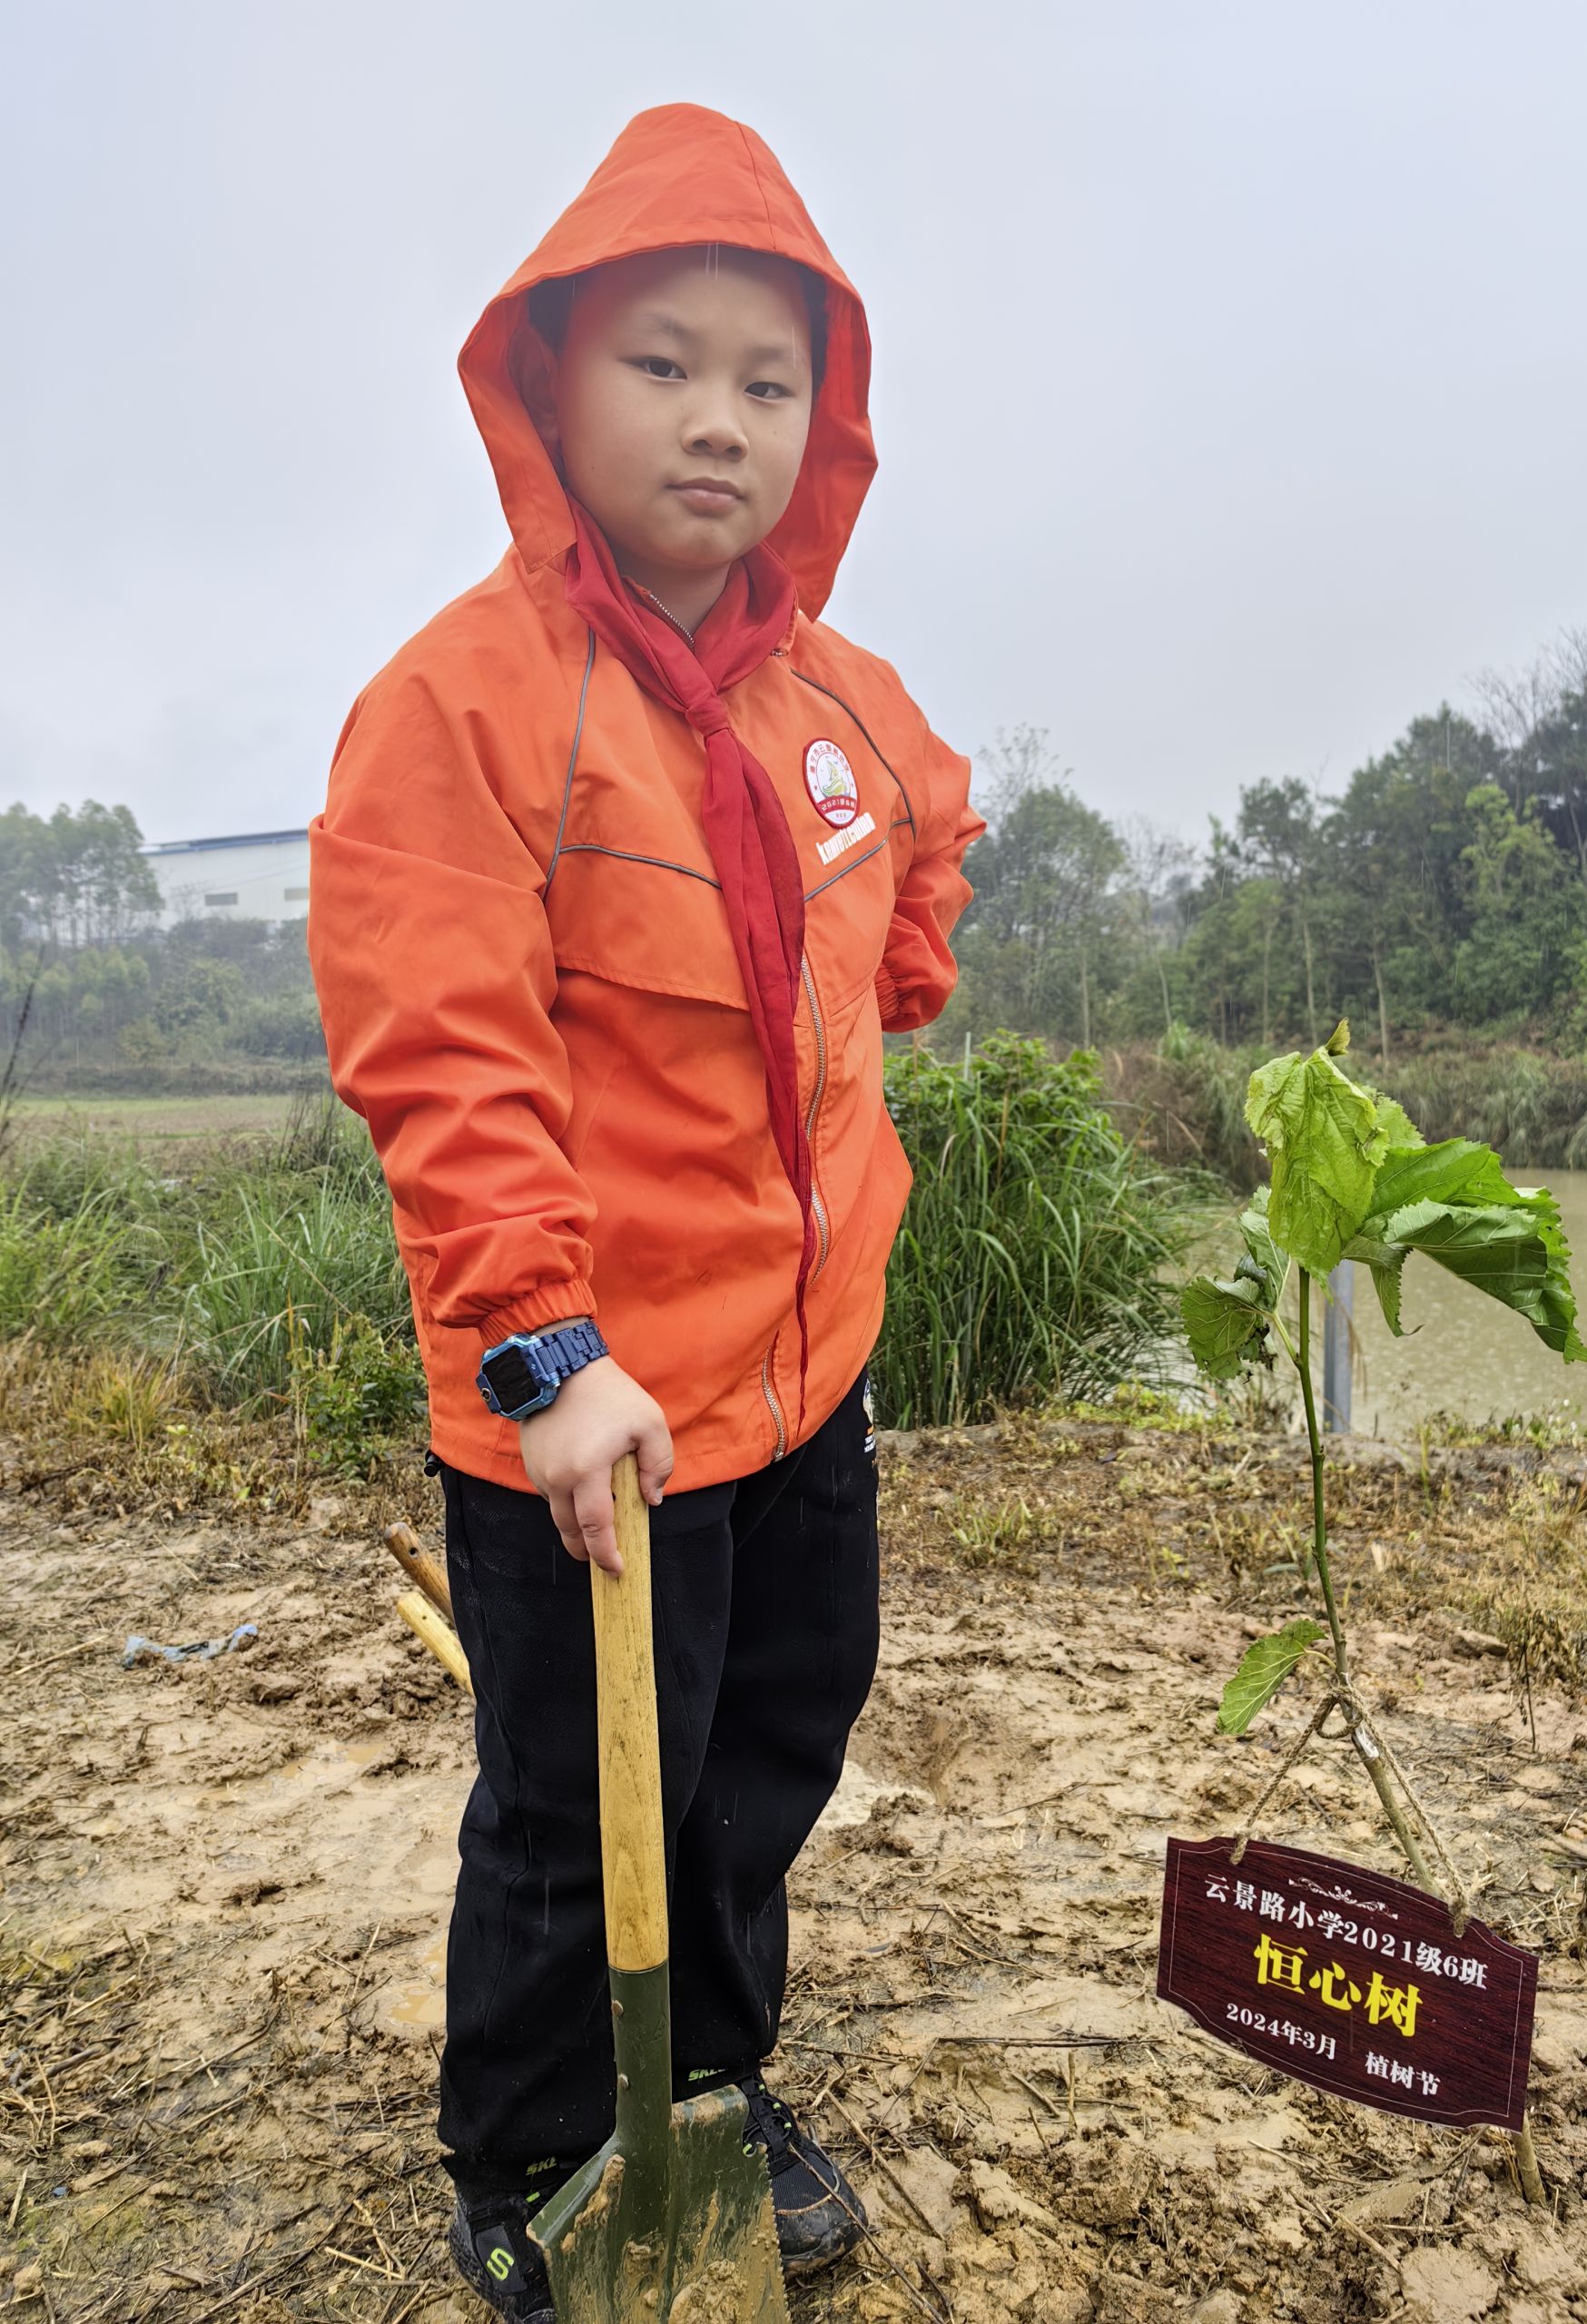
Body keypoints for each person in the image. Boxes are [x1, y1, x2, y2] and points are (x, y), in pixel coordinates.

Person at [308, 103, 982, 2319]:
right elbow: (446, 1066)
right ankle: (524, 2145)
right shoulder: (463, 707)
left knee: (776, 1731)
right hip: (593, 1411)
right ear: (553, 380)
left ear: (827, 418)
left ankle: (707, 2072)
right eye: (665, 363)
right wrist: (549, 1362)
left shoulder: (835, 701)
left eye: (769, 380)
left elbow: (929, 822)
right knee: (576, 1797)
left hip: (805, 1387)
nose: (720, 421)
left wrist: (906, 955)